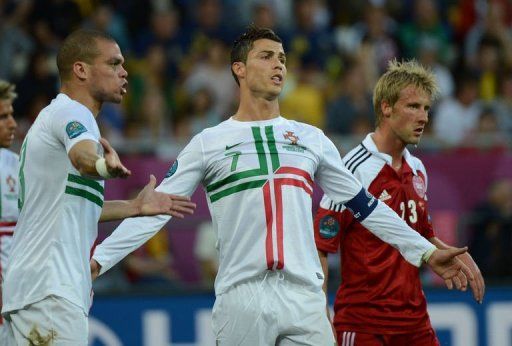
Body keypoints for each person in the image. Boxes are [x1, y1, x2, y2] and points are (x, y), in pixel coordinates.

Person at [91, 26, 475, 345]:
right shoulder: (209, 142)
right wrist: (98, 262)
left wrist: (424, 253)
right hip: (242, 297)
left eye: (282, 58)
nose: (278, 64)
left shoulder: (310, 138)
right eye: (267, 56)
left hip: (303, 297)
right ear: (238, 69)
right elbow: (153, 210)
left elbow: (367, 207)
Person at [1, 29, 196, 345]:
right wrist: (103, 166)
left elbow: (68, 206)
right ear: (81, 70)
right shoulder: (72, 113)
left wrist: (132, 208)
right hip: (51, 290)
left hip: (32, 289)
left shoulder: (54, 118)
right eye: (114, 63)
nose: (124, 71)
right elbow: (83, 157)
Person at [314, 60, 485, 345]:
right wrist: (320, 318)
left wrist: (449, 252)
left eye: (426, 109)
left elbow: (420, 237)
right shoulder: (351, 169)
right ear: (386, 107)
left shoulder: (418, 169)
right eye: (413, 107)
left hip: (415, 323)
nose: (423, 118)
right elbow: (321, 247)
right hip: (365, 324)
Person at [0, 80, 18, 342]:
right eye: (3, 116)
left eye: (12, 114)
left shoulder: (16, 163)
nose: (13, 123)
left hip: (19, 294)